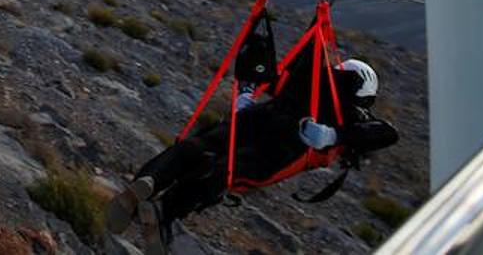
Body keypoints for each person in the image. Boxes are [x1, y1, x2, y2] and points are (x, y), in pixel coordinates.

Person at [106, 58, 398, 254]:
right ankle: (162, 213)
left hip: (259, 116)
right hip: (282, 145)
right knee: (222, 172)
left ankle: (149, 181)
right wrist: (333, 135)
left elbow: (273, 76)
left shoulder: (309, 81)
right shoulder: (348, 111)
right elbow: (387, 133)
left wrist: (247, 96)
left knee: (195, 148)